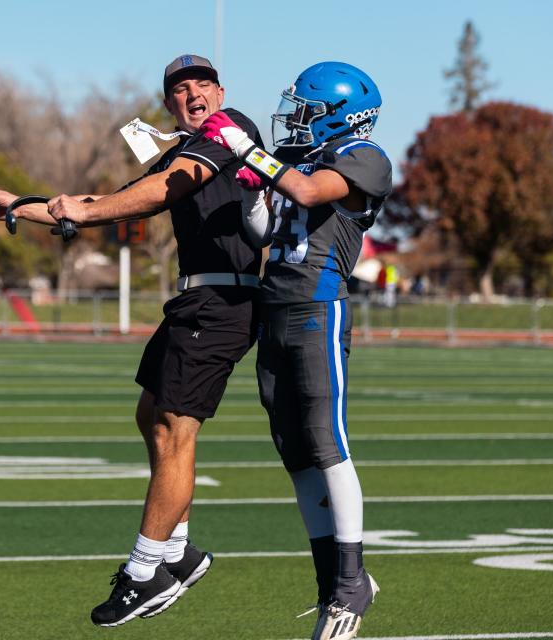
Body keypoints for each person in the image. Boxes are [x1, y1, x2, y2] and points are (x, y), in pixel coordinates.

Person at [0, 54, 267, 627]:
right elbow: (102, 205)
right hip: (194, 300)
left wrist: (88, 210)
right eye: (180, 89)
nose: (194, 94)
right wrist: (18, 205)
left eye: (202, 84)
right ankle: (179, 553)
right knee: (150, 414)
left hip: (225, 301)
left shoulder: (233, 131)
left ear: (221, 92)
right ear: (168, 104)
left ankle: (142, 573)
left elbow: (154, 193)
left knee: (175, 432)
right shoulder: (179, 153)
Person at [199, 61, 393, 640]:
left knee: (327, 445)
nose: (296, 121)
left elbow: (310, 191)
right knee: (298, 456)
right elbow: (270, 233)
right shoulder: (301, 162)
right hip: (275, 309)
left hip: (318, 311)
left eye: (305, 110)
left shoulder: (365, 156)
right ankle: (328, 585)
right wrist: (257, 197)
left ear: (337, 112)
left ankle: (353, 581)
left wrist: (244, 148)